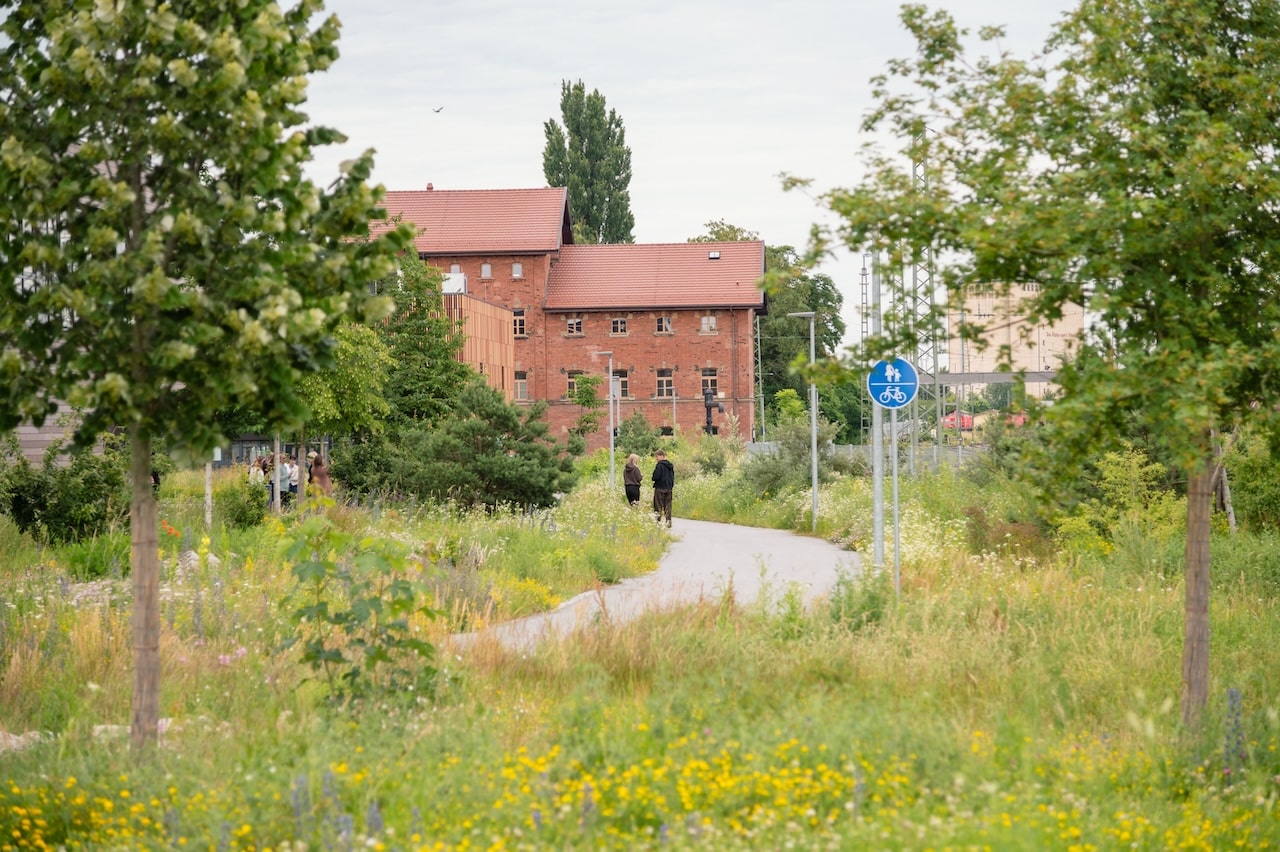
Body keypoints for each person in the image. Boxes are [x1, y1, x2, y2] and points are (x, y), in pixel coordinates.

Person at [651, 448, 675, 527]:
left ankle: (657, 522)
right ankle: (668, 522)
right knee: (668, 506)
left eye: (657, 456)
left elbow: (655, 477)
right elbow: (672, 477)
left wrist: (654, 478)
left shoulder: (659, 465)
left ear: (661, 456)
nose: (656, 458)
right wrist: (671, 485)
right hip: (669, 488)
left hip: (660, 487)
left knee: (658, 505)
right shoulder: (670, 466)